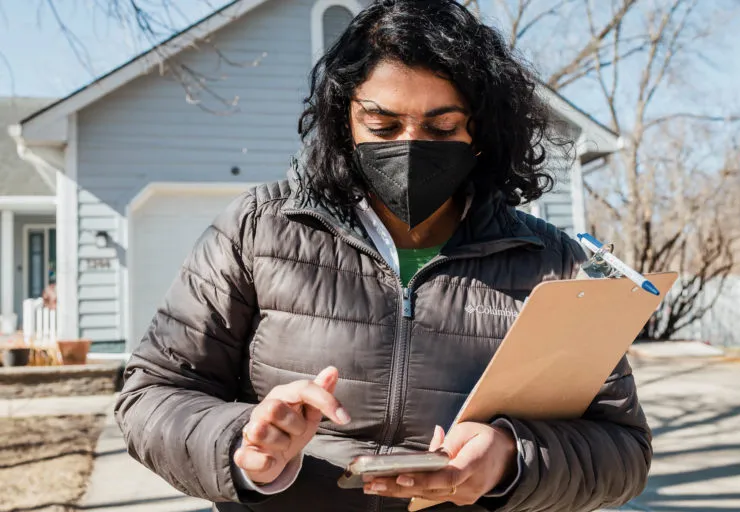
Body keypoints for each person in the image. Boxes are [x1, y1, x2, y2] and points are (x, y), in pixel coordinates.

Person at [115, 1, 652, 511]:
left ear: (482, 132)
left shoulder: (550, 264)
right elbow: (152, 394)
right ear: (343, 122)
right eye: (382, 125)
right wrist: (242, 445)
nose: (411, 145)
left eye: (441, 127)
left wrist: (511, 458)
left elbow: (622, 449)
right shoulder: (258, 230)